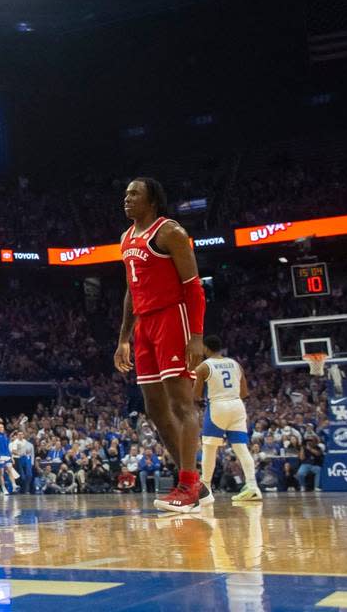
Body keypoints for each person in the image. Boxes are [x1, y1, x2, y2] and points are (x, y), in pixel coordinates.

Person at [113, 177, 207, 512]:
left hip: (172, 317)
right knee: (153, 407)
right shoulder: (125, 238)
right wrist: (124, 338)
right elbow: (130, 290)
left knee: (183, 404)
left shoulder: (171, 233)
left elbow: (194, 287)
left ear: (151, 200)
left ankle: (187, 484)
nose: (126, 198)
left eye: (134, 193)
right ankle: (193, 480)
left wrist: (196, 336)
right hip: (144, 324)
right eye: (125, 194)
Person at [194, 335, 262, 502]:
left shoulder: (204, 366)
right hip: (237, 406)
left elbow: (195, 396)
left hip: (218, 406)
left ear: (205, 348)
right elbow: (244, 393)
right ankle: (253, 487)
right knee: (241, 448)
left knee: (209, 448)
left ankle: (206, 490)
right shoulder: (235, 364)